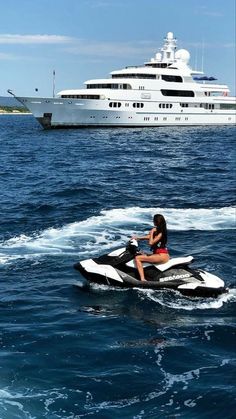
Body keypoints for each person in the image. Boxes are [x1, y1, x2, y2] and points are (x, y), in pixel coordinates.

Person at [133, 214, 170, 281]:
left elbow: (151, 242)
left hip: (162, 256)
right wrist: (137, 238)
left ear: (156, 221)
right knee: (141, 254)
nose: (153, 221)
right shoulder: (158, 230)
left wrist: (152, 232)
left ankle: (142, 279)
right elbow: (149, 237)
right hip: (159, 254)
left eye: (153, 220)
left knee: (137, 258)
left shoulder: (161, 233)